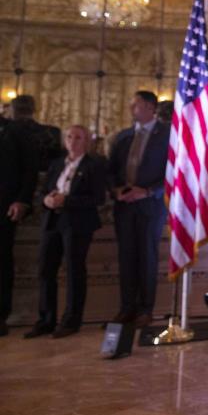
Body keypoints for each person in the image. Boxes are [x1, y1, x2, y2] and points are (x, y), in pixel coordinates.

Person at [24, 125, 107, 339]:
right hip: (53, 220)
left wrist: (67, 200)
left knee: (73, 270)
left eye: (78, 137)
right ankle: (46, 319)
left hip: (78, 223)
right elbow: (45, 190)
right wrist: (47, 199)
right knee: (46, 269)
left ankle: (71, 320)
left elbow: (98, 198)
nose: (73, 141)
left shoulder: (94, 165)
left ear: (87, 142)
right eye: (69, 137)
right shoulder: (57, 163)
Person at [107, 90, 170, 328]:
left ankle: (146, 309)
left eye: (136, 105)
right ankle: (126, 308)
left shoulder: (167, 134)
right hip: (124, 205)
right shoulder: (123, 136)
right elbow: (111, 169)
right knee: (126, 257)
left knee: (147, 257)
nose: (132, 109)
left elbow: (174, 172)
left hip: (150, 205)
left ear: (150, 107)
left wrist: (148, 191)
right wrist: (115, 190)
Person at [0, 108, 40, 336]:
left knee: (2, 262)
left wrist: (22, 201)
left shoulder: (13, 130)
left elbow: (29, 169)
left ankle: (1, 315)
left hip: (4, 207)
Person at [11, 95, 65, 171]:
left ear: (13, 110)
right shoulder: (53, 132)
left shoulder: (6, 132)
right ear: (34, 110)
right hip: (46, 179)